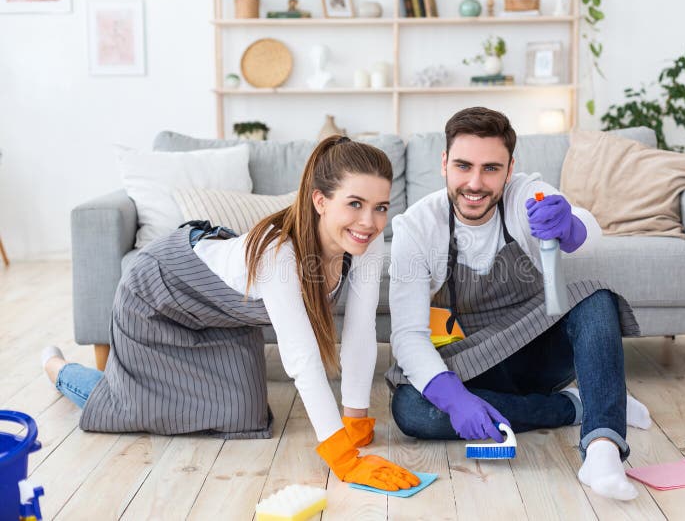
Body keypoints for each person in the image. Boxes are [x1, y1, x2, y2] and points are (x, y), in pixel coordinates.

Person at [42, 136, 420, 492]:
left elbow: (359, 331)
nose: (369, 222)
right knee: (136, 406)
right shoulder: (280, 254)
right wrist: (342, 457)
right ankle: (62, 371)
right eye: (354, 204)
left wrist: (355, 420)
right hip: (157, 294)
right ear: (320, 201)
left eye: (380, 207)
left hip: (219, 314)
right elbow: (301, 357)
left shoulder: (365, 245)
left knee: (244, 418)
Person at [386, 107, 651, 500]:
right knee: (410, 407)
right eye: (463, 166)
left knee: (596, 298)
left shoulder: (526, 197)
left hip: (535, 351)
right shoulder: (417, 227)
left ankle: (602, 450)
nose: (475, 183)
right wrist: (455, 400)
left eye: (491, 168)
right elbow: (408, 336)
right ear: (444, 164)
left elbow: (588, 231)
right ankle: (574, 406)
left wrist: (570, 225)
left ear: (510, 170)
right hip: (473, 360)